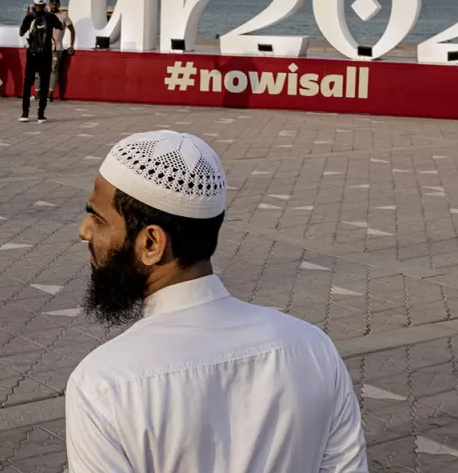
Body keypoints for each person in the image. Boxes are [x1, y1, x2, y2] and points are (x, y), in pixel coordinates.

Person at [67, 130, 368, 472]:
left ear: (152, 243)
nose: (84, 231)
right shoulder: (313, 349)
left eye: (98, 218)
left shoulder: (103, 384)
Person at [18, 0, 62, 122]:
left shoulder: (29, 17)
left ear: (34, 4)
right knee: (44, 83)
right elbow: (59, 26)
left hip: (32, 54)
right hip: (46, 54)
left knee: (28, 83)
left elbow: (21, 32)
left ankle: (25, 113)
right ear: (45, 4)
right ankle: (40, 114)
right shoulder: (50, 17)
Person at [47, 0, 75, 100]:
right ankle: (39, 92)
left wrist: (71, 45)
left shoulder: (64, 16)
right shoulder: (46, 15)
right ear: (49, 4)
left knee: (53, 70)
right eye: (52, 4)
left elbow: (72, 30)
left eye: (56, 4)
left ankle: (50, 93)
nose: (54, 6)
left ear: (59, 5)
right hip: (45, 48)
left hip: (57, 48)